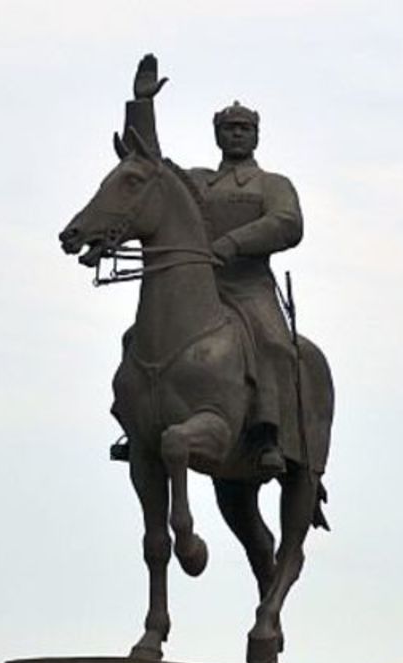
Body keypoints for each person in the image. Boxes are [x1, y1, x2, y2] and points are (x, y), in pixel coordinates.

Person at [111, 55, 303, 476]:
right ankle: (135, 425)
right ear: (216, 135)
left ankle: (269, 433)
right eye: (229, 129)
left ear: (256, 135)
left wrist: (234, 243)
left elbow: (287, 223)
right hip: (200, 289)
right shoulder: (196, 181)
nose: (236, 134)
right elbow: (146, 166)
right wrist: (141, 105)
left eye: (244, 128)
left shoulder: (271, 184)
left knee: (273, 343)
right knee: (135, 338)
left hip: (249, 288)